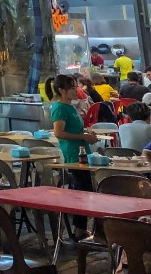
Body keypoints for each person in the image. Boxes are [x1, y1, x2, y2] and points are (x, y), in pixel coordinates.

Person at [47, 74, 98, 234]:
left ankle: (80, 227)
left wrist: (87, 135)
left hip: (82, 152)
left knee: (84, 189)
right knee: (82, 191)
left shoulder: (70, 107)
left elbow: (74, 129)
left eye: (75, 86)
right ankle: (79, 228)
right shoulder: (59, 108)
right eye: (71, 88)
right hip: (72, 154)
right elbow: (59, 133)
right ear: (61, 90)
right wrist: (82, 136)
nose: (75, 90)